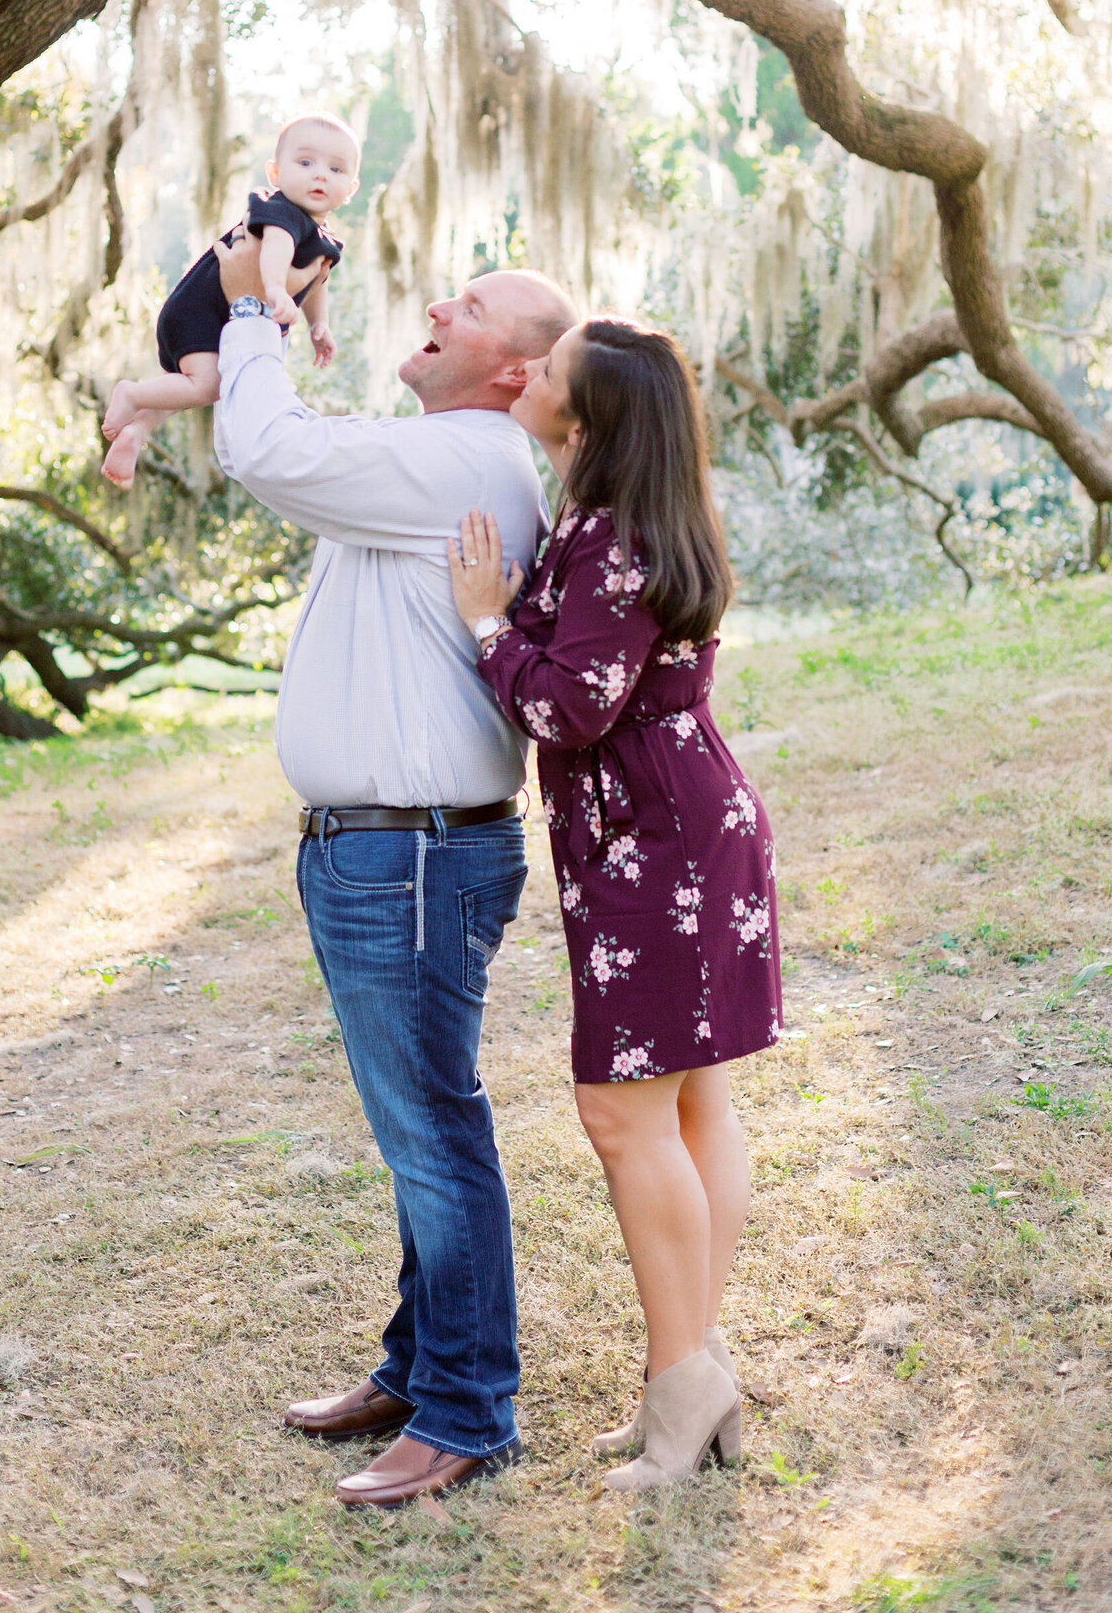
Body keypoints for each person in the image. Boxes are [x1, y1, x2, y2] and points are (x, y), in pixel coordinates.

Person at [211, 261, 576, 1509]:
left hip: (412, 852)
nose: (434, 309)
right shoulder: (434, 463)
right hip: (378, 846)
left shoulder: (469, 459)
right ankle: (421, 1369)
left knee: (433, 1130)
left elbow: (264, 449)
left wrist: (254, 307)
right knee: (416, 1125)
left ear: (514, 371)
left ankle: (468, 1412)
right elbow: (287, 447)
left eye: (467, 308)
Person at [447, 317, 782, 1491]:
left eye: (543, 372)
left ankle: (685, 1380)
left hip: (663, 845)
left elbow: (568, 708)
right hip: (667, 828)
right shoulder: (616, 519)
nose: (522, 375)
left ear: (581, 421)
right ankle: (687, 1375)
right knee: (689, 1105)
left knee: (622, 1114)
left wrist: (487, 619)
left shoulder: (615, 540)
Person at [100, 111, 360, 487]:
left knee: (194, 383)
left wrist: (320, 324)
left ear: (350, 189)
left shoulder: (325, 238)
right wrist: (272, 289)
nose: (320, 174)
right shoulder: (280, 210)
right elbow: (275, 248)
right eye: (305, 162)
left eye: (336, 169)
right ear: (275, 173)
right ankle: (133, 393)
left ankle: (137, 432)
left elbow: (318, 282)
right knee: (208, 386)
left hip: (223, 316)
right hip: (201, 310)